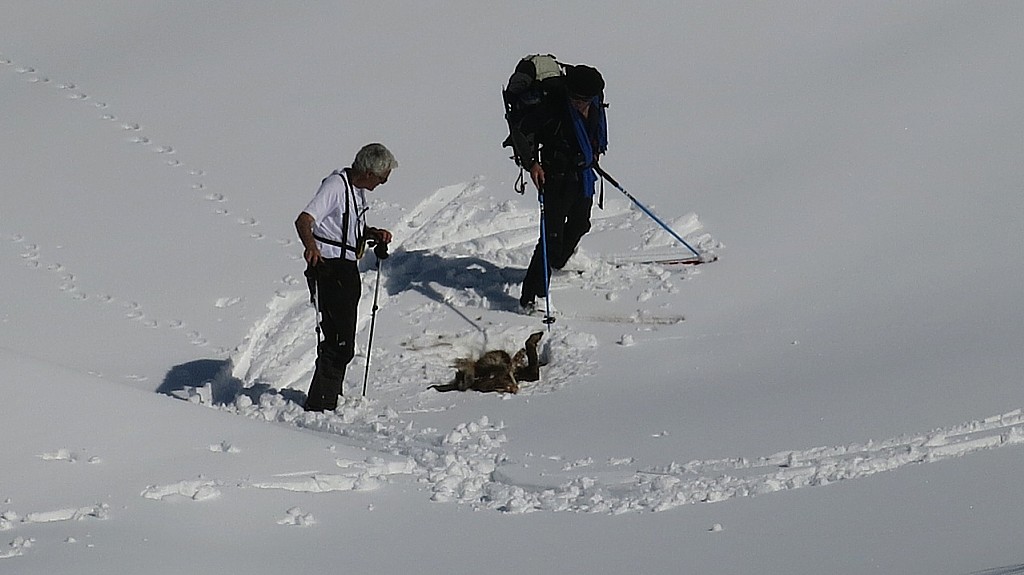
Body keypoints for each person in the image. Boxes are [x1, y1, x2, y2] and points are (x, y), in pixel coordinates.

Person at [294, 143, 397, 412]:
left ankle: (328, 398)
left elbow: (348, 229)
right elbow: (304, 220)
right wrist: (311, 247)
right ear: (368, 172)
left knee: (342, 340)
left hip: (346, 269)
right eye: (382, 177)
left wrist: (372, 233)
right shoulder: (335, 186)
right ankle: (320, 404)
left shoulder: (356, 191)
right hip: (330, 268)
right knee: (338, 341)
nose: (383, 182)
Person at [508, 64, 608, 311]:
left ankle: (556, 263)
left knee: (580, 224)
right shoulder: (551, 107)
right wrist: (532, 164)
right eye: (575, 98)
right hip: (555, 177)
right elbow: (521, 132)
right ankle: (529, 297)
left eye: (584, 99)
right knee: (550, 239)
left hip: (582, 176)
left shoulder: (595, 105)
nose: (579, 103)